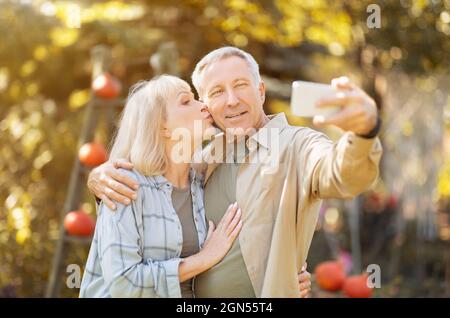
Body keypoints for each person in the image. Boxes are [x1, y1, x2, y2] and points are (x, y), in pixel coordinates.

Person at [87, 46, 382, 297]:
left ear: (261, 91)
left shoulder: (297, 146)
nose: (231, 100)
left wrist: (364, 132)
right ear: (207, 106)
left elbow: (342, 175)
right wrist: (98, 177)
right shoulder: (202, 160)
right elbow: (152, 183)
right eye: (216, 92)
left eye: (240, 85)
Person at [79, 75, 243, 298]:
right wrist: (204, 258)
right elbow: (123, 284)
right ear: (162, 127)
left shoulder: (204, 180)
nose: (203, 105)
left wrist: (289, 276)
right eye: (186, 101)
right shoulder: (124, 185)